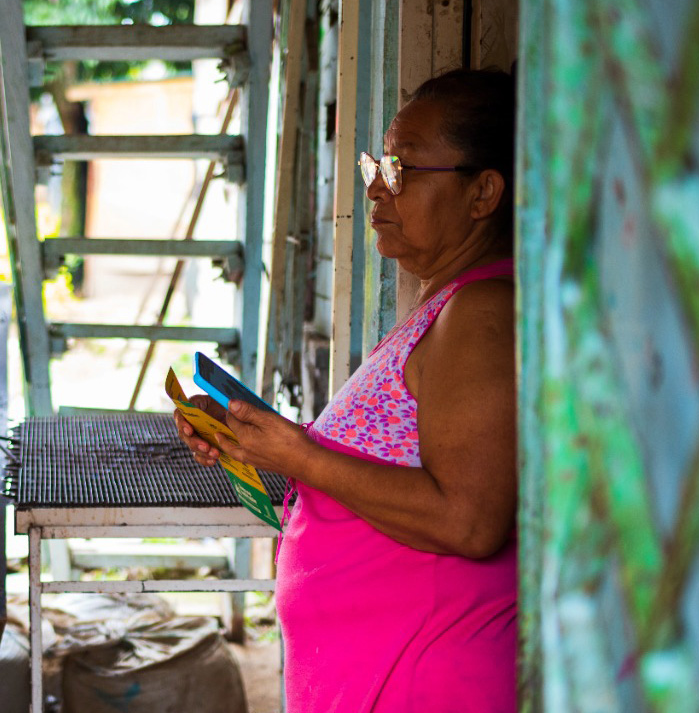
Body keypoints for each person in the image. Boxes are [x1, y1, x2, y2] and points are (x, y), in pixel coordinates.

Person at [176, 68, 517, 711]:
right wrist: (257, 444)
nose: (377, 191)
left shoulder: (481, 314)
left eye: (405, 169)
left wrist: (298, 454)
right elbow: (375, 476)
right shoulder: (442, 306)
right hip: (382, 674)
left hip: (426, 678)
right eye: (375, 166)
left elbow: (468, 521)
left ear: (482, 193)